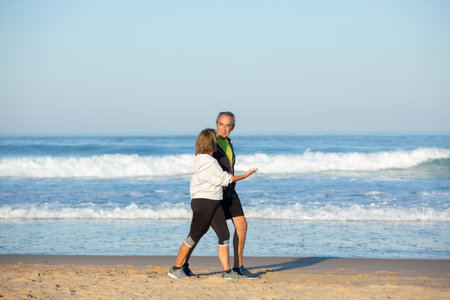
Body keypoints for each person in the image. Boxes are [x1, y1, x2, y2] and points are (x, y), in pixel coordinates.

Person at [168, 128, 257, 279]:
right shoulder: (209, 162)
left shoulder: (198, 160)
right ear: (212, 145)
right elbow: (224, 179)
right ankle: (176, 269)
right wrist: (245, 175)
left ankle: (227, 272)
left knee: (224, 235)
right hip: (206, 203)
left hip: (212, 202)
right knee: (193, 236)